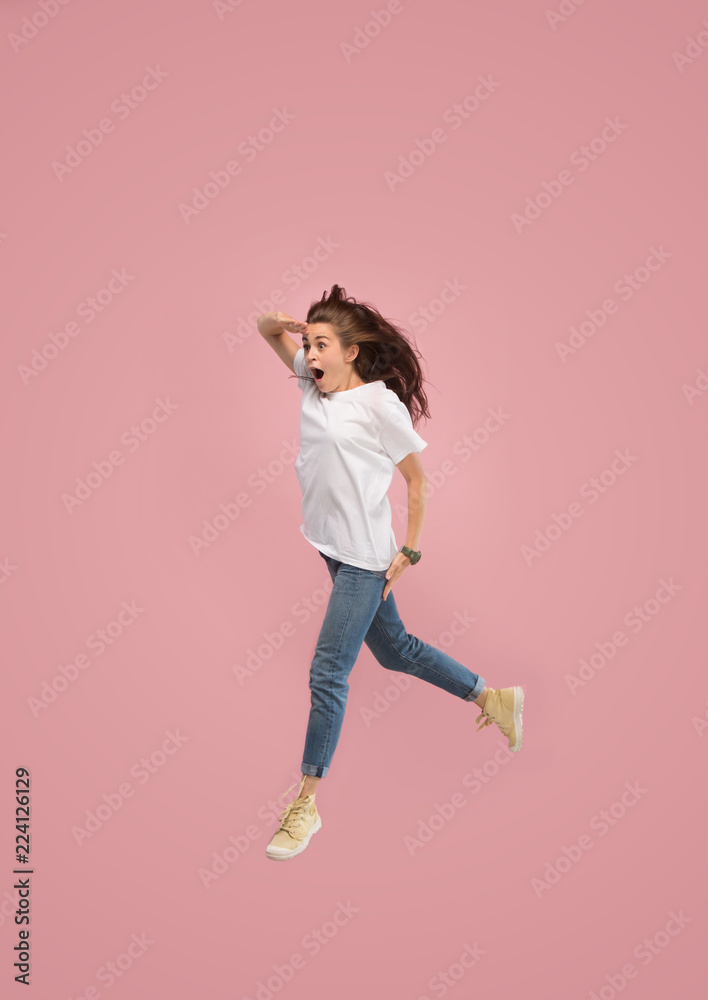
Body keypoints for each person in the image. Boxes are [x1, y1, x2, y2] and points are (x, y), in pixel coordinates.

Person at [256, 285, 524, 861]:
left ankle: (305, 803)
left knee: (328, 673)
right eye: (309, 344)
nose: (312, 354)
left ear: (352, 352)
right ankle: (493, 698)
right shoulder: (311, 381)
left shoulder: (380, 405)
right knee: (395, 650)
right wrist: (279, 324)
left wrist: (410, 550)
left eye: (323, 344)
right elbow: (265, 332)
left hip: (364, 559)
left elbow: (419, 482)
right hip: (330, 546)